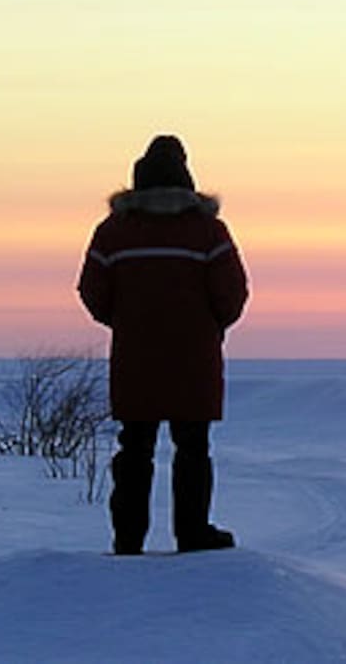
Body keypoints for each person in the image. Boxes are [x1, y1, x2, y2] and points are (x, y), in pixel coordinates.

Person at [77, 135, 249, 555]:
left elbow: (91, 291)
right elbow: (233, 293)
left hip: (135, 360)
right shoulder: (209, 231)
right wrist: (210, 326)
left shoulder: (114, 232)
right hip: (194, 360)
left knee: (134, 450)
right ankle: (192, 534)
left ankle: (128, 540)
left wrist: (125, 323)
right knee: (193, 449)